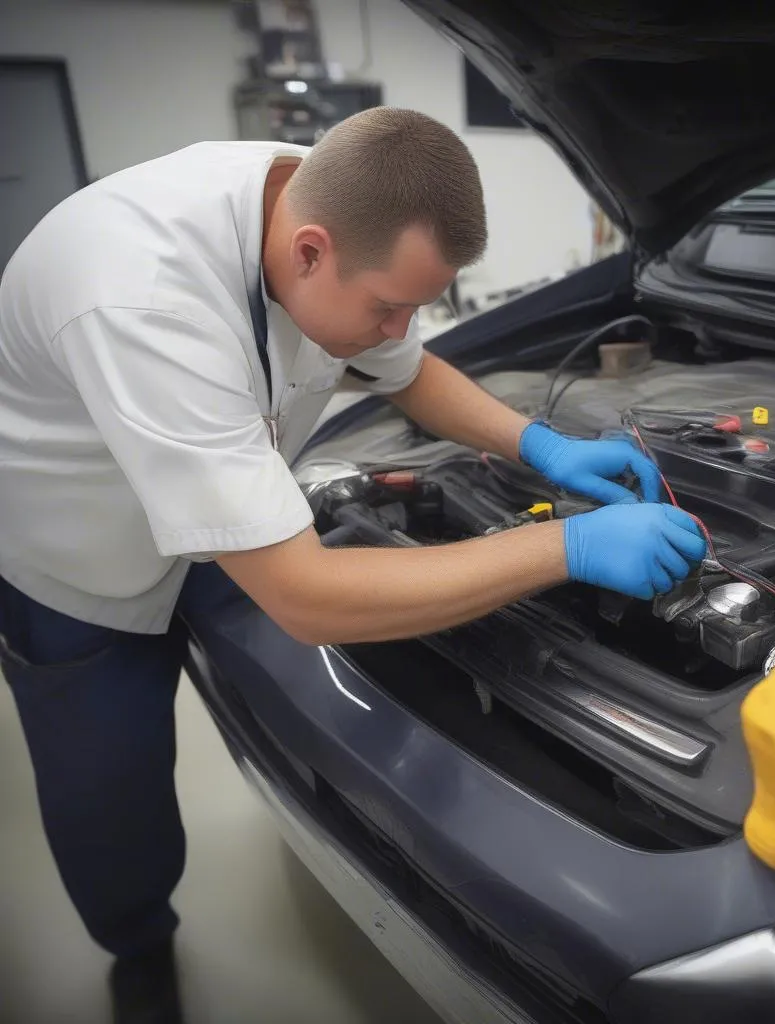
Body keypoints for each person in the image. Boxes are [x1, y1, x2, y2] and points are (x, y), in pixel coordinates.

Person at [0, 107, 705, 1022]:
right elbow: (305, 597)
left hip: (232, 511)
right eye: (387, 305)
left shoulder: (321, 201)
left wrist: (538, 443)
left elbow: (406, 370)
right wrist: (563, 546)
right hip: (79, 559)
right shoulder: (141, 296)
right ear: (308, 252)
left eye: (419, 305)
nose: (398, 326)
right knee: (111, 789)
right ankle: (139, 951)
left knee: (298, 683)